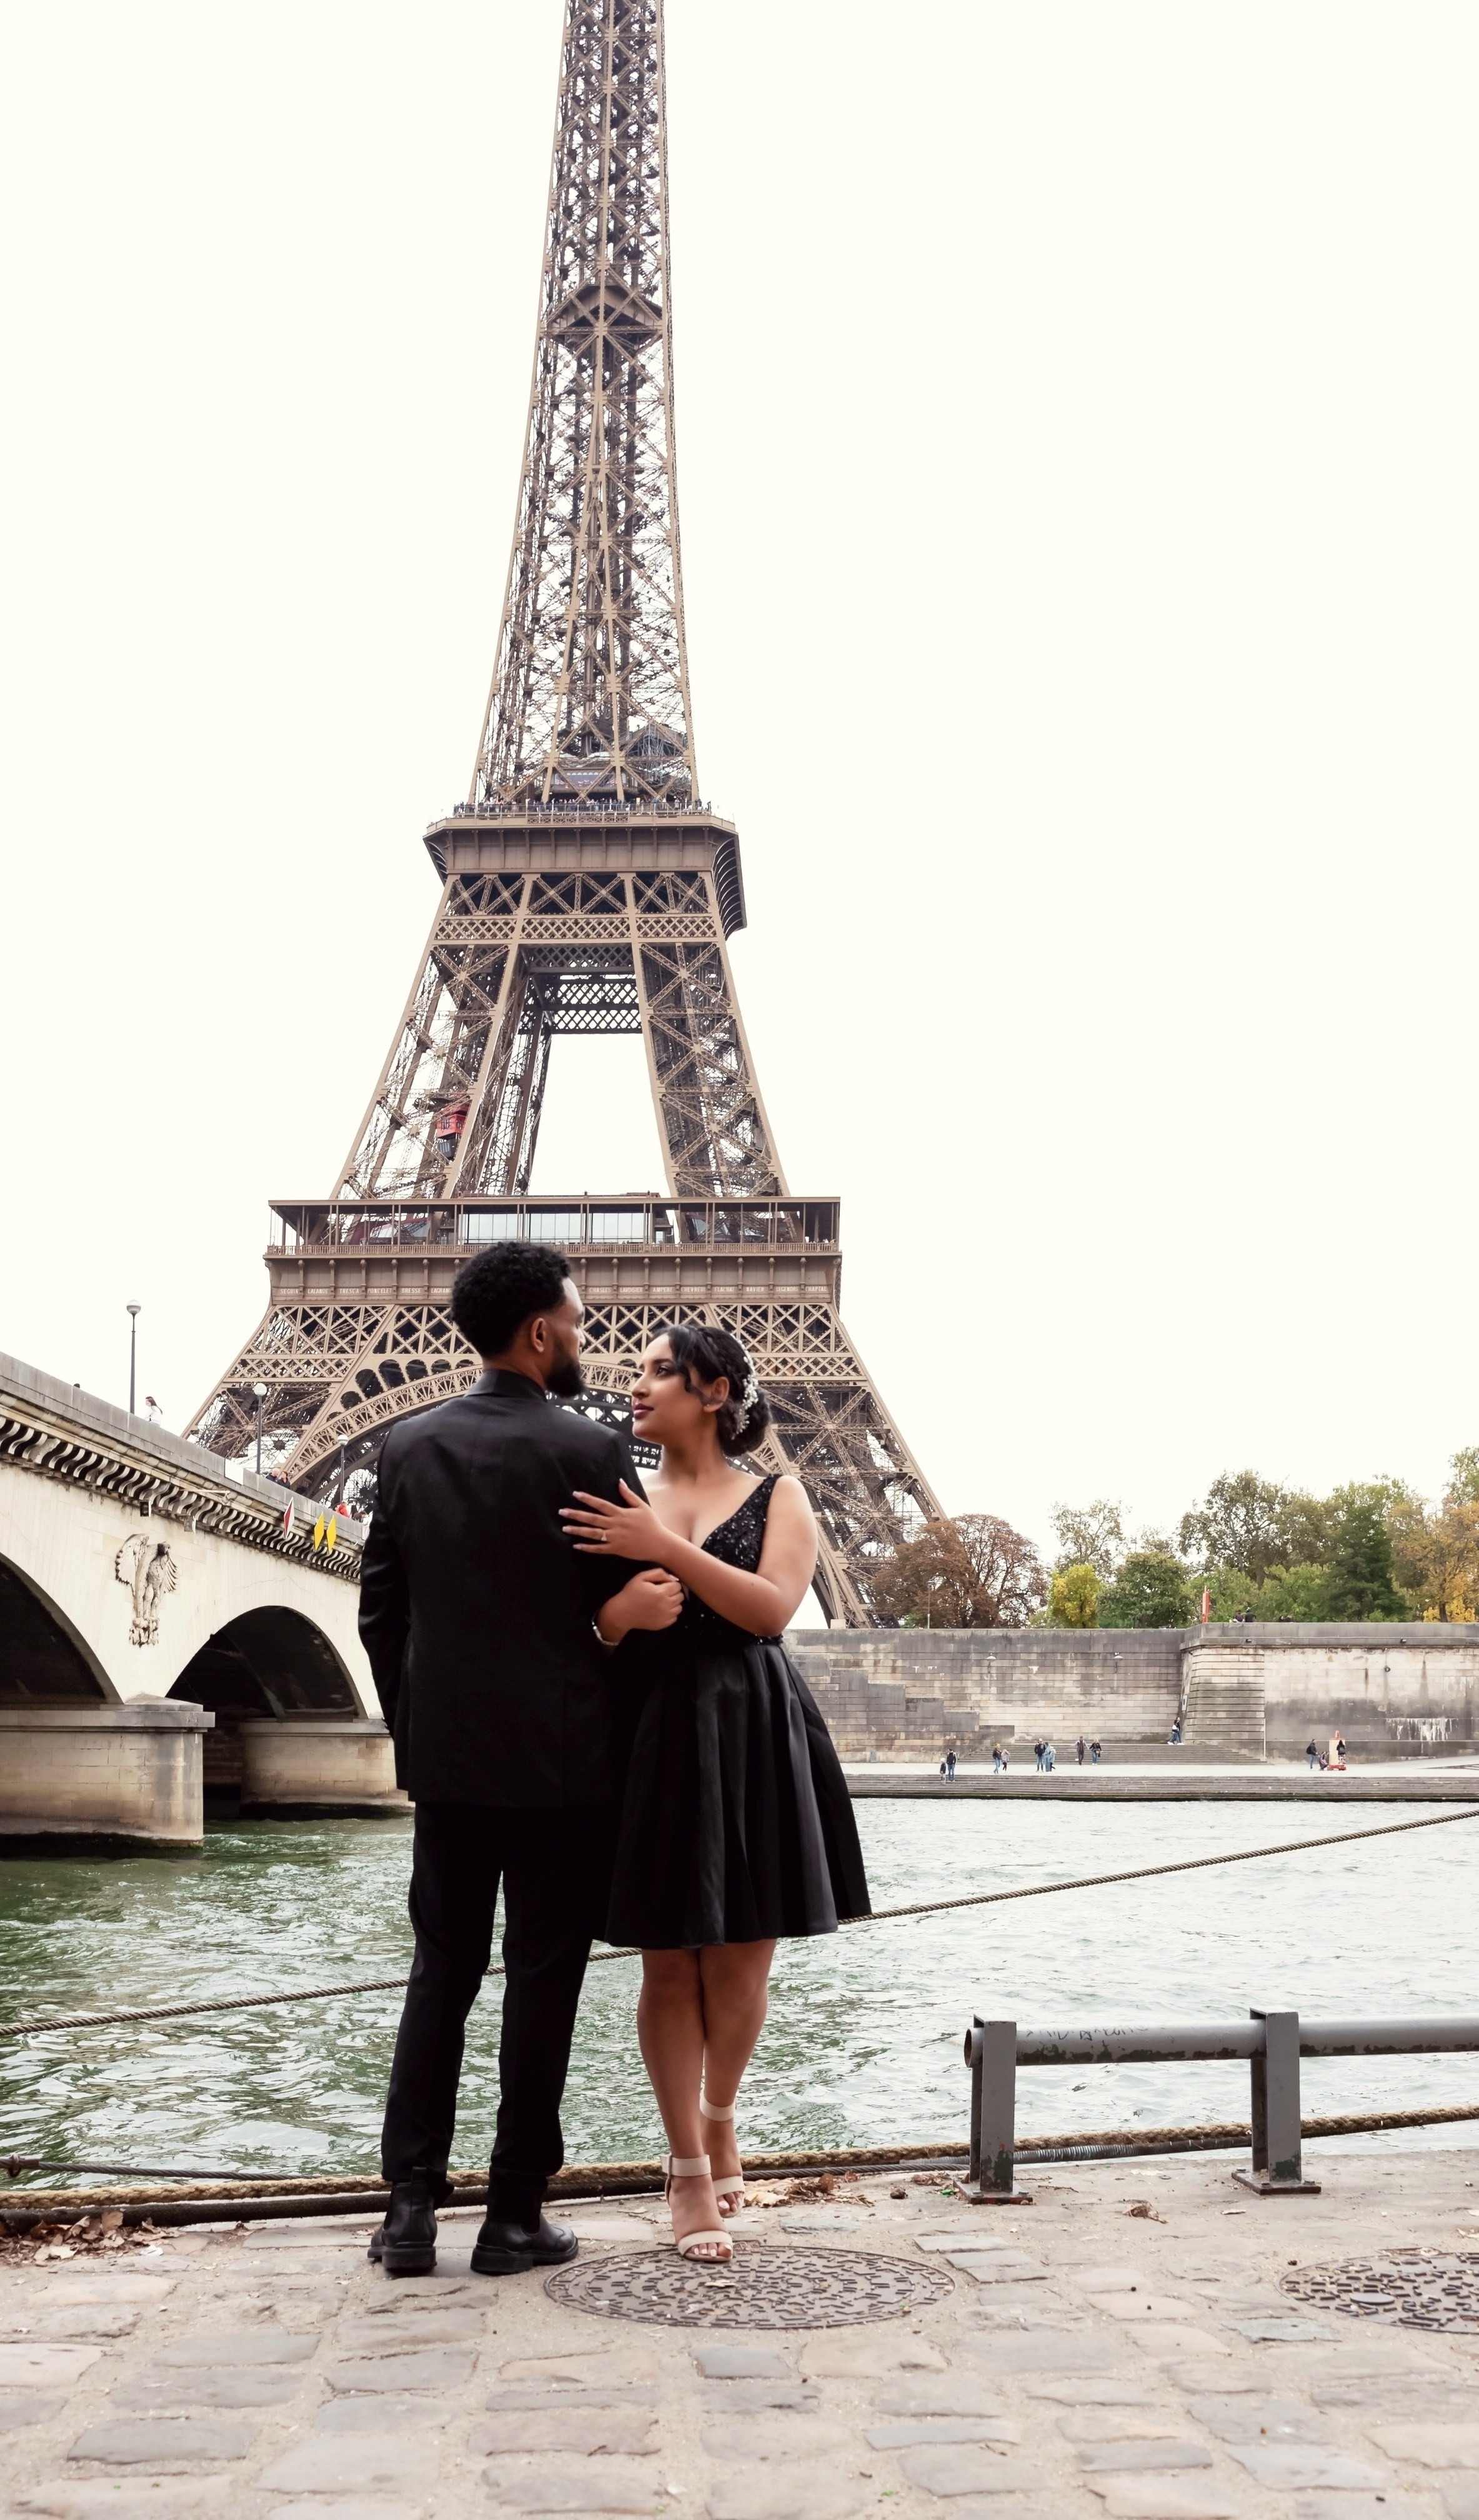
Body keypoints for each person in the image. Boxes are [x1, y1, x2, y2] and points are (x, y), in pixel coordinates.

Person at [357, 1243, 670, 2281]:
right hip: (563, 1770)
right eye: (576, 1321)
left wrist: (419, 1734)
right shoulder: (589, 1450)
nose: (583, 1337)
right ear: (541, 1331)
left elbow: (381, 1613)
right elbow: (629, 1607)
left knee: (439, 1974)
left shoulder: (406, 1446)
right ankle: (514, 2215)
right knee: (543, 1985)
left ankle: (409, 2212)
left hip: (448, 1767)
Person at [560, 1324, 870, 2265]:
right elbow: (567, 1633)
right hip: (649, 1735)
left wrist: (664, 1549)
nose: (637, 1384)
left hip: (749, 1733)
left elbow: (771, 1610)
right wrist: (614, 1618)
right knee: (666, 1967)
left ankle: (720, 2112)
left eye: (661, 1371)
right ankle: (687, 2168)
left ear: (715, 1390)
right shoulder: (617, 1496)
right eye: (639, 1369)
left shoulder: (781, 1495)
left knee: (739, 1969)